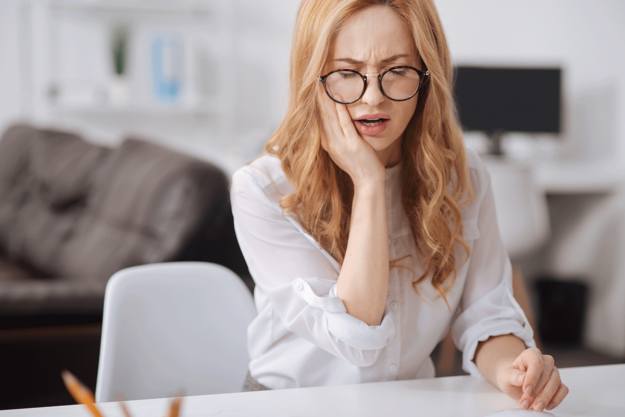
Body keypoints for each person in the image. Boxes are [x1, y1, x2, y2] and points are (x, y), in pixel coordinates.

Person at [230, 0, 568, 412]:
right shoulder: (262, 189)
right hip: (288, 406)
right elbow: (358, 334)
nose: (373, 97)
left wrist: (516, 369)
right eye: (347, 73)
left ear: (427, 77)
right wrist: (370, 183)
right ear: (314, 77)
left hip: (405, 403)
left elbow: (487, 317)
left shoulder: (463, 175)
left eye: (398, 71)